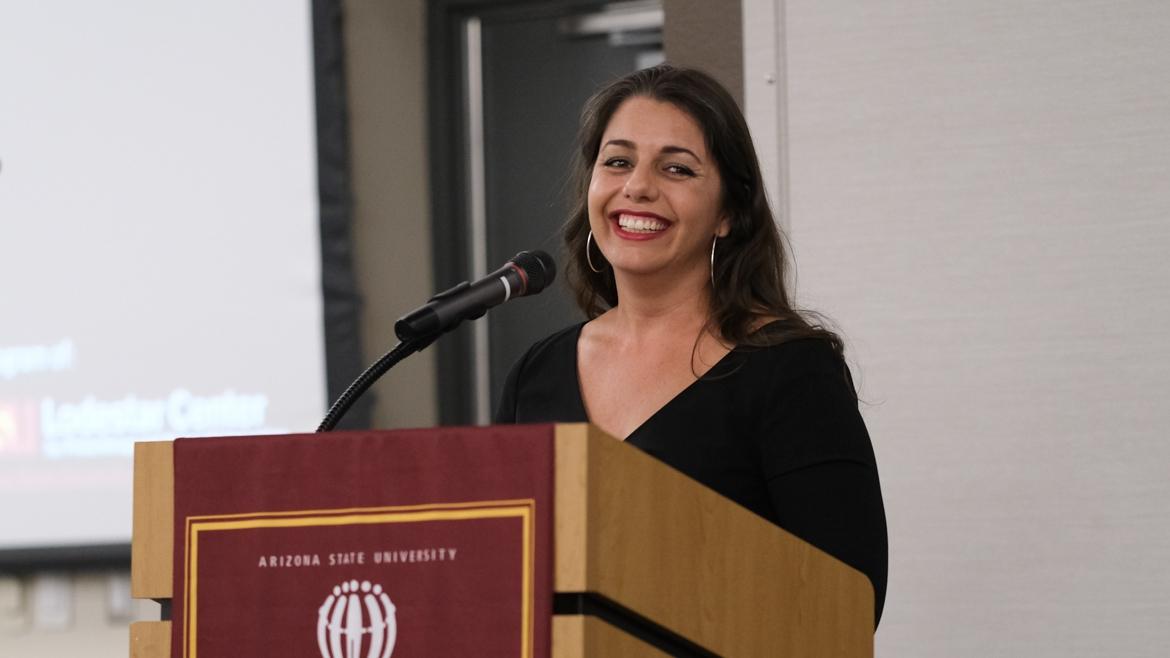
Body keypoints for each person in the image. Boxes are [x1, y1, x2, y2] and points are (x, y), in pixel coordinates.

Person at [494, 64, 887, 626]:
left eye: (676, 168)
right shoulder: (537, 374)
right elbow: (501, 576)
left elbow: (849, 601)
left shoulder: (790, 370)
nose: (638, 187)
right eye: (618, 161)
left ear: (728, 213)